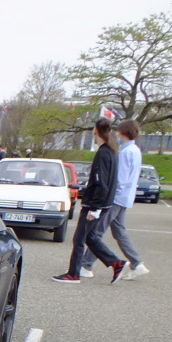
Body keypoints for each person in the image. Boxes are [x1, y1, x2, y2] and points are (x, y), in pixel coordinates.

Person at [53, 117, 126, 284]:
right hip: (104, 203)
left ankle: (73, 274)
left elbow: (102, 184)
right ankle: (116, 263)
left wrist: (94, 208)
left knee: (79, 239)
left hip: (95, 205)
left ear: (95, 131)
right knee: (91, 237)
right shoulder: (112, 152)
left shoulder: (102, 154)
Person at [80, 119, 148, 279]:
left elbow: (121, 179)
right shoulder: (135, 150)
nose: (116, 134)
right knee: (119, 232)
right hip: (125, 198)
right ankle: (136, 263)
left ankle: (86, 265)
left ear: (123, 132)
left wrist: (108, 197)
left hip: (116, 199)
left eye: (118, 131)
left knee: (96, 232)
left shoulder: (125, 153)